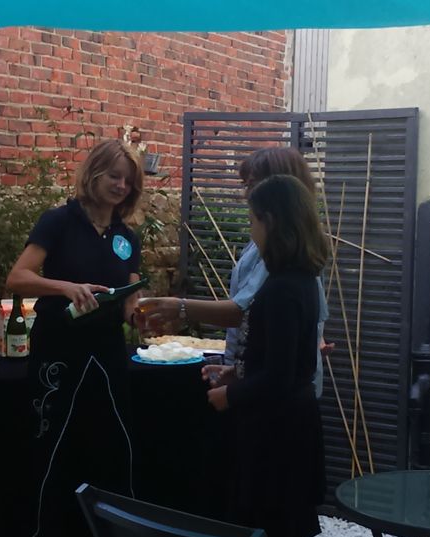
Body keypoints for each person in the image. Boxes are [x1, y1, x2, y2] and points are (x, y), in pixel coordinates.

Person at [6, 139, 144, 537]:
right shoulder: (58, 221)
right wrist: (66, 288)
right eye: (113, 176)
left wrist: (141, 313)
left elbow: (129, 298)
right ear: (94, 175)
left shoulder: (127, 238)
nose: (121, 186)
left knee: (114, 452)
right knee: (53, 451)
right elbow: (17, 279)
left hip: (107, 353)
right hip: (58, 351)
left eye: (128, 179)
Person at [202, 174, 329, 537]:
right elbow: (292, 362)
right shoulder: (302, 280)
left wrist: (230, 396)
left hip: (278, 430)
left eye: (253, 219)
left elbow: (277, 376)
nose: (250, 230)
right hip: (298, 421)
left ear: (272, 222)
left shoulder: (278, 290)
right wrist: (235, 369)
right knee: (288, 521)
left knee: (276, 534)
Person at [136, 146, 331, 396]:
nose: (246, 194)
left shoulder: (285, 271)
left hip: (276, 404)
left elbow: (244, 314)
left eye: (252, 184)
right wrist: (239, 372)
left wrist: (178, 307)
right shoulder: (281, 250)